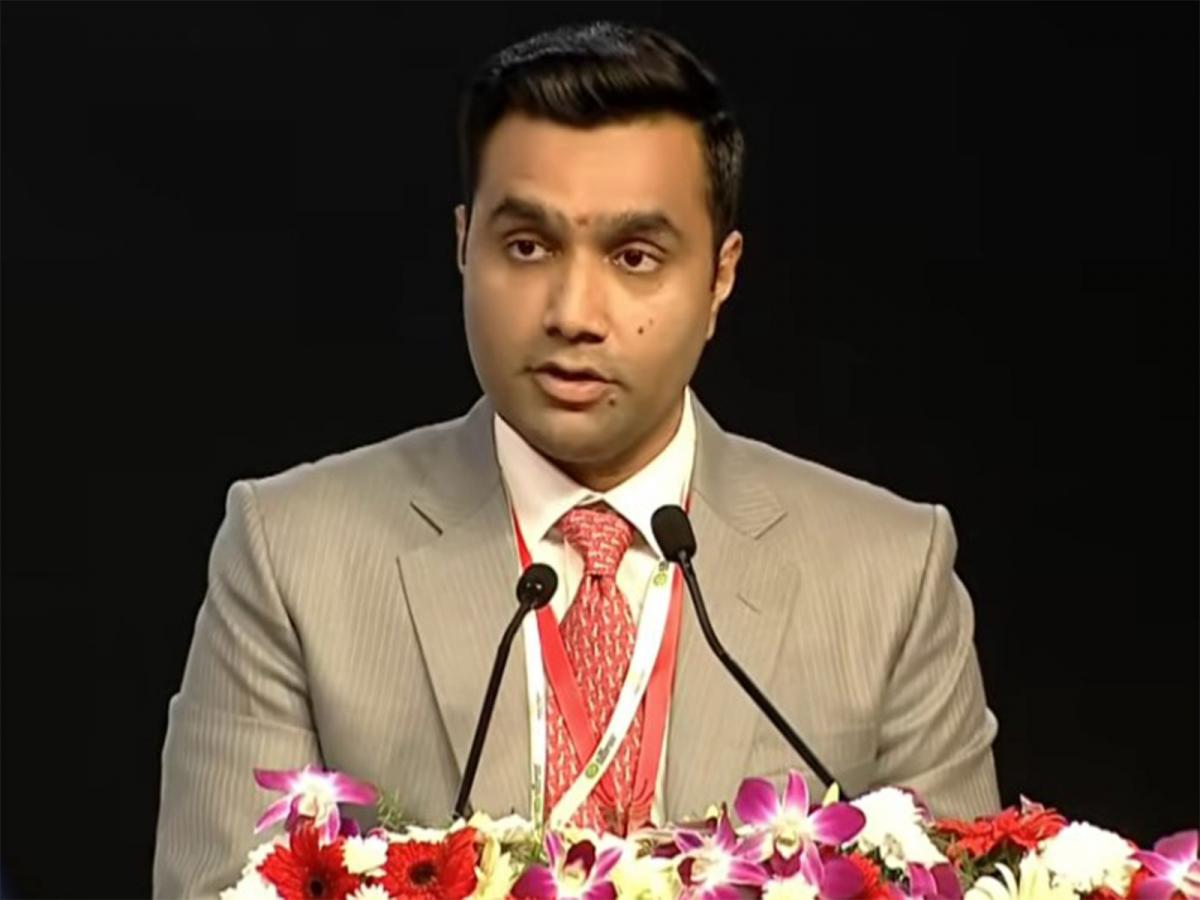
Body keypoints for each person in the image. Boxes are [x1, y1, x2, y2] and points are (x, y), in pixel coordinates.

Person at [154, 20, 1000, 897]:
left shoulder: (888, 575)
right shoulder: (292, 556)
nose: (573, 313)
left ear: (721, 276)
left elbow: (962, 876)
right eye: (527, 246)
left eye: (635, 257)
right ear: (463, 245)